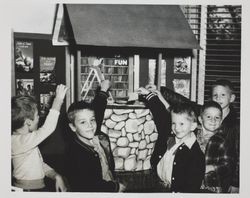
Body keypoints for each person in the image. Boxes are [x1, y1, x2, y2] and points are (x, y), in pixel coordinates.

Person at [159, 79, 239, 193]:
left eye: (222, 95)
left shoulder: (232, 129)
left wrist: (236, 183)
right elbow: (180, 112)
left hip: (212, 185)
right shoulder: (194, 132)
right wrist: (161, 93)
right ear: (200, 119)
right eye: (215, 95)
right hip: (191, 182)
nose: (218, 98)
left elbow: (233, 160)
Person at [137, 88, 205, 193]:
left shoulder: (196, 155)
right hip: (158, 187)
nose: (177, 128)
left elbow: (192, 187)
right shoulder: (169, 137)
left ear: (193, 126)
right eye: (174, 123)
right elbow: (160, 115)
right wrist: (149, 95)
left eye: (182, 124)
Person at [65, 80, 125, 192]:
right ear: (73, 127)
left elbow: (98, 110)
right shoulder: (78, 154)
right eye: (83, 122)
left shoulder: (91, 136)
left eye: (92, 120)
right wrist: (115, 187)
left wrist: (103, 90)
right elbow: (89, 186)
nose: (90, 125)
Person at [11, 84, 68, 192]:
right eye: (37, 115)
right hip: (27, 190)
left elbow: (38, 164)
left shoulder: (26, 141)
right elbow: (48, 128)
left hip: (36, 187)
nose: (39, 118)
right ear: (28, 122)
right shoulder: (18, 141)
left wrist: (55, 175)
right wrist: (58, 100)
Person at [198, 101, 233, 193]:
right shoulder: (191, 137)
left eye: (217, 117)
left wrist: (211, 167)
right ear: (200, 119)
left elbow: (228, 166)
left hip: (211, 188)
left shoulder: (222, 141)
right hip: (191, 184)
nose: (213, 120)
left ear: (221, 121)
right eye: (208, 117)